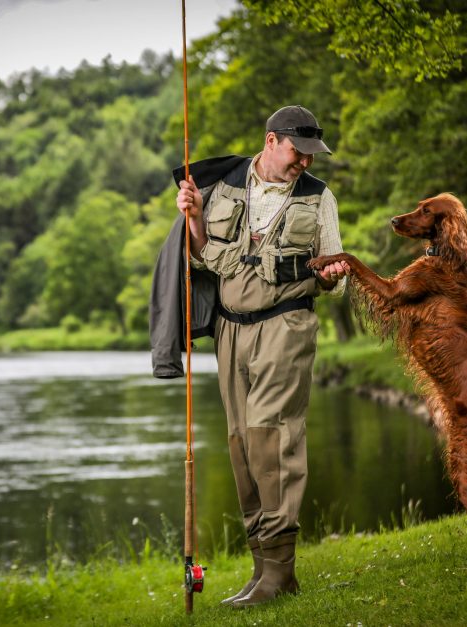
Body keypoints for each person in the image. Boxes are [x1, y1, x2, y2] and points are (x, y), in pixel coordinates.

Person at [174, 105, 350, 608]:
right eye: (299, 152)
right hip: (230, 333)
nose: (305, 164)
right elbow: (200, 253)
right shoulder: (224, 186)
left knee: (273, 441)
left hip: (285, 326)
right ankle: (262, 569)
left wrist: (331, 276)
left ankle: (280, 572)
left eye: (312, 155)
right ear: (271, 141)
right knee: (242, 447)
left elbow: (332, 272)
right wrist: (190, 216)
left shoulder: (320, 198)